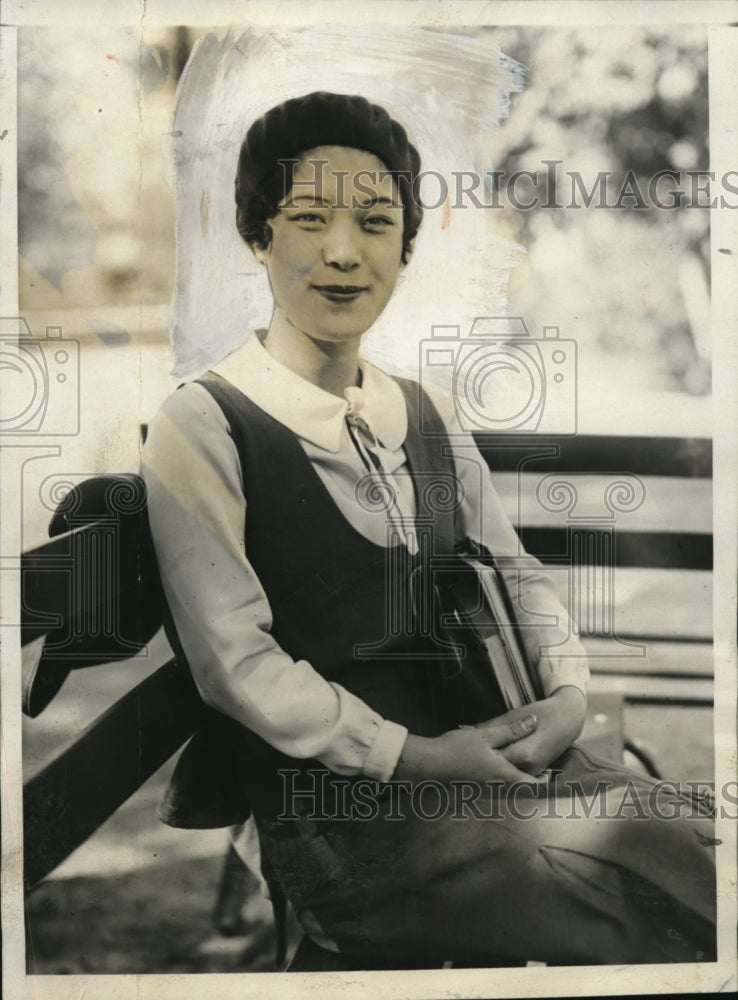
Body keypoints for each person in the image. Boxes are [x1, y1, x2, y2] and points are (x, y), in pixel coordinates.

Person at [141, 91, 717, 966]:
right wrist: (420, 759)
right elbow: (237, 665)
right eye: (309, 219)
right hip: (346, 826)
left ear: (405, 246)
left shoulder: (425, 413)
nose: (344, 251)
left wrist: (566, 696)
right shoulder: (206, 423)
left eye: (377, 222)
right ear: (258, 235)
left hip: (494, 776)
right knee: (645, 880)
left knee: (695, 841)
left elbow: (516, 575)